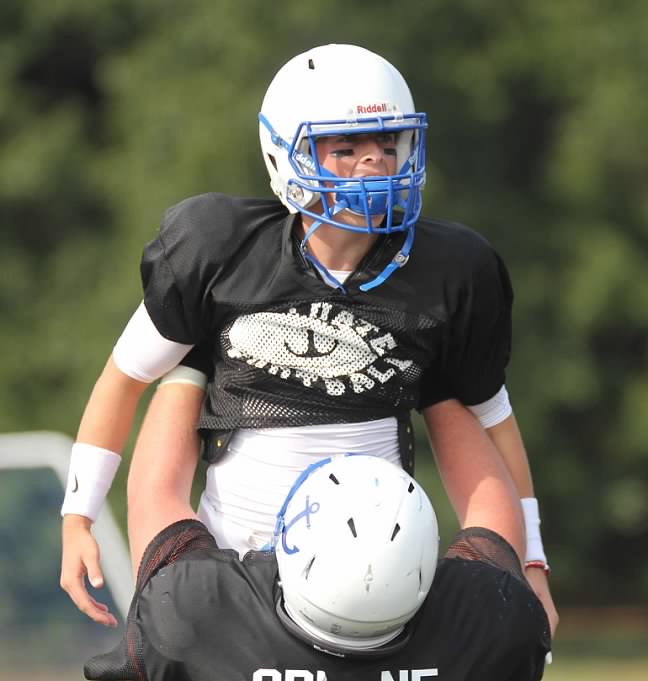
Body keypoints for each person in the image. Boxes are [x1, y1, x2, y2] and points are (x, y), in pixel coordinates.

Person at [59, 43, 557, 634]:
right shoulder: (218, 249)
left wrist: (532, 565)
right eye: (346, 148)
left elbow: (492, 422)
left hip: (381, 581)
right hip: (231, 565)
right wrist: (78, 515)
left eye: (387, 144)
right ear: (284, 154)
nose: (375, 164)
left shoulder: (452, 270)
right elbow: (125, 378)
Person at [83, 453, 551, 681]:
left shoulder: (191, 614)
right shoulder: (496, 621)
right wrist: (447, 384)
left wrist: (188, 364)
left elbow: (154, 493)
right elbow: (493, 511)